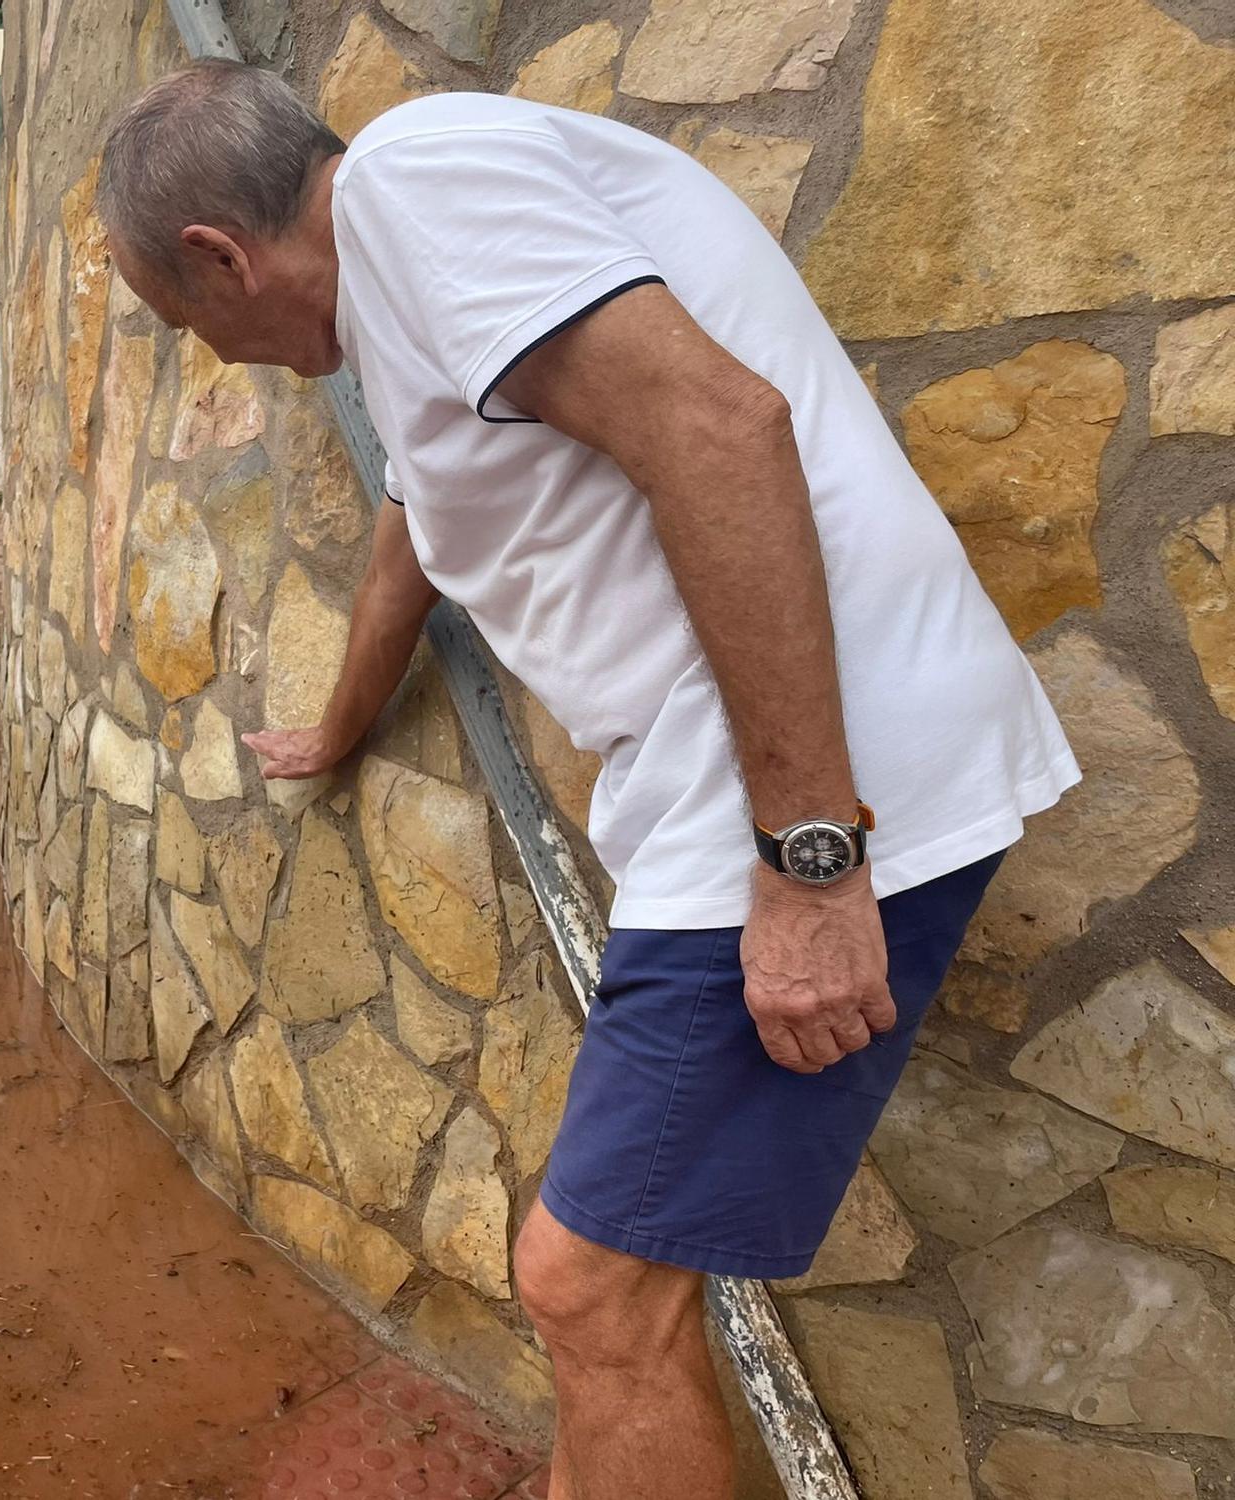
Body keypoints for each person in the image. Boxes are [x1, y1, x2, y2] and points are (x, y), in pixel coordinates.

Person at [95, 61, 1080, 1500]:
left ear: (217, 256)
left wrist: (811, 857)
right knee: (603, 1291)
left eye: (194, 325)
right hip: (743, 784)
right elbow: (414, 535)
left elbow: (715, 429)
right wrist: (339, 726)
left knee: (589, 1287)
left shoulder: (414, 188)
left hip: (813, 784)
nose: (221, 356)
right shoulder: (414, 279)